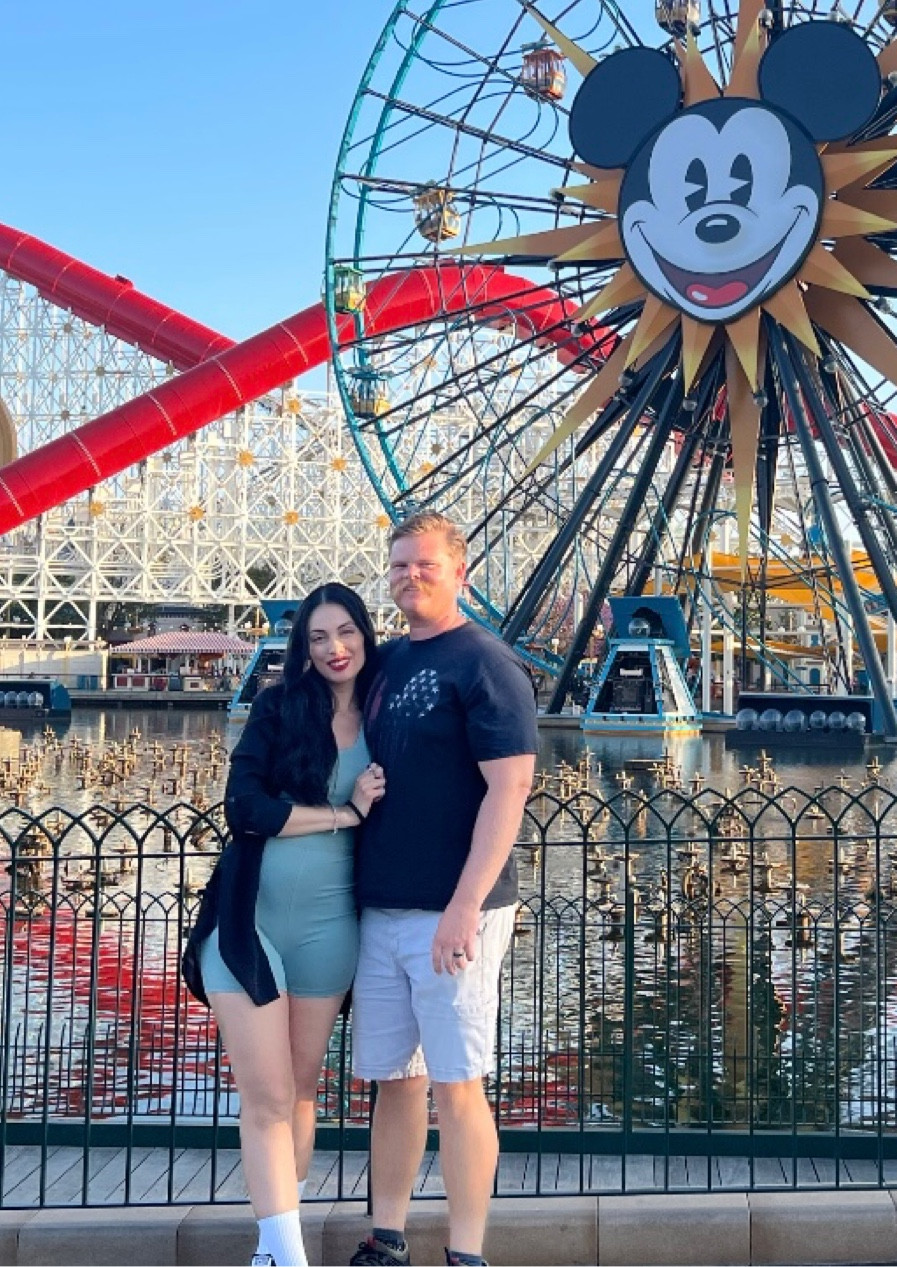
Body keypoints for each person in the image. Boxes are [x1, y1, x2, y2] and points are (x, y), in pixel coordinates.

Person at [348, 514, 537, 1267]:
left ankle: (466, 1251)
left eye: (423, 564)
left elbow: (510, 788)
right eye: (397, 565)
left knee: (459, 1083)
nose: (407, 576)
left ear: (461, 570)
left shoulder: (487, 663)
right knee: (394, 1081)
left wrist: (463, 907)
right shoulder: (385, 663)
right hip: (383, 902)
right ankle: (386, 1236)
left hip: (455, 911)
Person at [183, 582, 388, 1267]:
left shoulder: (385, 714)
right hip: (250, 920)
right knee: (268, 1094)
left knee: (303, 1090)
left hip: (332, 927)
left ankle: (280, 1237)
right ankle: (284, 1254)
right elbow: (246, 808)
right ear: (302, 646)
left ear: (365, 634)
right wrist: (343, 815)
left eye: (346, 632)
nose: (335, 647)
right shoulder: (278, 709)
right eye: (320, 636)